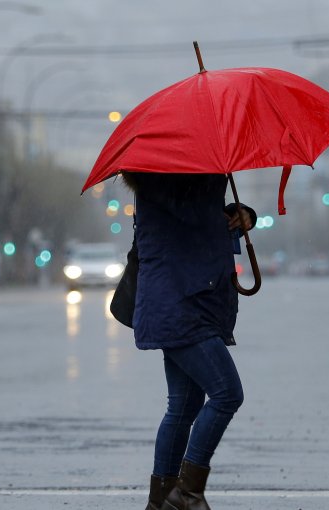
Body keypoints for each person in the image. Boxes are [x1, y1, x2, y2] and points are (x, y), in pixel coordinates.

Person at [123, 172, 255, 510]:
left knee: (183, 407)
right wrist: (236, 215)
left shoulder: (187, 175)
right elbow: (198, 219)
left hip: (191, 299)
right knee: (227, 394)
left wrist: (241, 214)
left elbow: (202, 219)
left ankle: (160, 501)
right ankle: (186, 492)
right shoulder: (161, 177)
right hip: (180, 304)